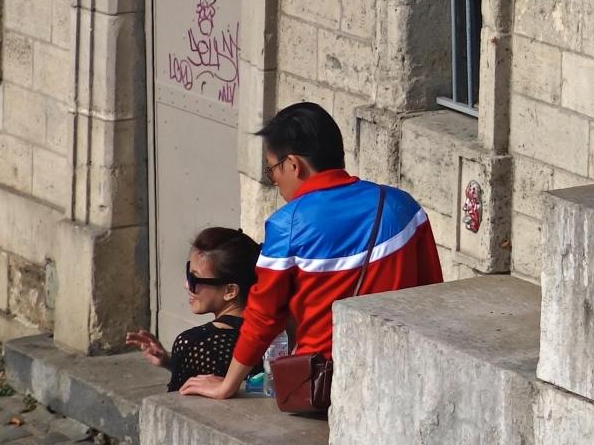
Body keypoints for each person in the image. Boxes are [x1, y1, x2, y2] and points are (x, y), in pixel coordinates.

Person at [178, 101, 443, 401]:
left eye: (272, 170)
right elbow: (431, 297)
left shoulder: (286, 225)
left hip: (322, 386)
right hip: (399, 375)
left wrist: (227, 385)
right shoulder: (403, 206)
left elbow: (264, 317)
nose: (275, 181)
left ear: (293, 165)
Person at [124, 227, 258, 392]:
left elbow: (176, 405)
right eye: (188, 273)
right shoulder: (272, 334)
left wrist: (185, 356)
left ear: (230, 291)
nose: (186, 285)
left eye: (194, 278)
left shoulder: (196, 342)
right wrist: (172, 362)